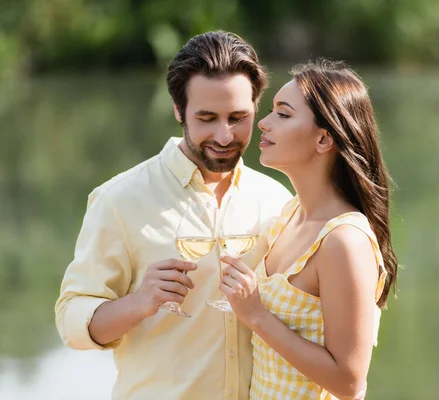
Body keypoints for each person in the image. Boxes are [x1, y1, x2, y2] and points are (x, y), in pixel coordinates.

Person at [54, 31, 291, 400]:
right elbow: (71, 321)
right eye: (207, 118)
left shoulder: (277, 199)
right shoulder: (120, 199)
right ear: (178, 110)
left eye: (238, 117)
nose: (225, 135)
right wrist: (137, 303)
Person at [218, 60, 398, 399]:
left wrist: (256, 315)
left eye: (283, 115)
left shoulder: (343, 241)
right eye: (270, 112)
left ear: (324, 139)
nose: (264, 124)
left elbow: (349, 382)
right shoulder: (289, 214)